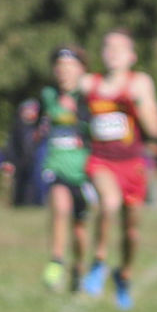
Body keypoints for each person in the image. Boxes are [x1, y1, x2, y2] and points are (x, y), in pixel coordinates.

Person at [79, 30, 157, 310]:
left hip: (132, 165)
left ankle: (124, 274)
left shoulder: (139, 83)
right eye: (108, 46)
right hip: (101, 161)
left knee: (132, 233)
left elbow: (155, 130)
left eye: (119, 48)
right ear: (102, 54)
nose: (113, 52)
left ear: (132, 56)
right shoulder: (90, 83)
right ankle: (99, 262)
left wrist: (139, 104)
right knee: (109, 202)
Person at [39, 47, 92, 292]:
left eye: (70, 65)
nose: (63, 70)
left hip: (84, 170)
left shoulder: (89, 97)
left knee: (80, 230)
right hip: (57, 165)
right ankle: (56, 261)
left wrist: (78, 113)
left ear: (81, 69)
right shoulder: (48, 96)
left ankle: (79, 268)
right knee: (61, 208)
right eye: (59, 65)